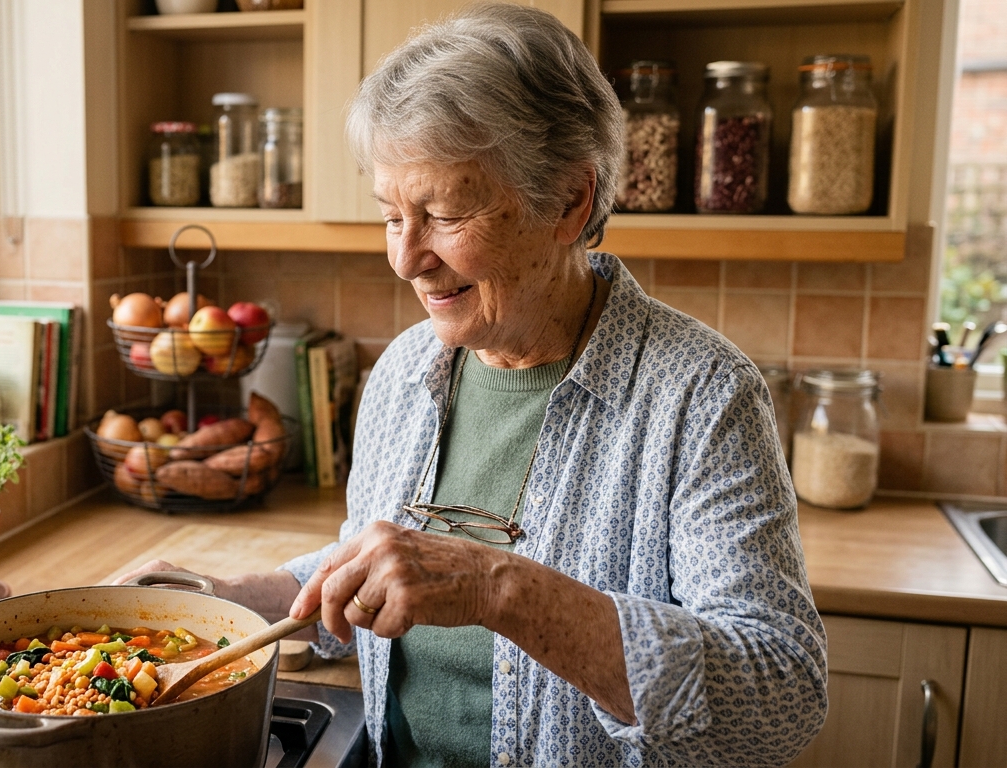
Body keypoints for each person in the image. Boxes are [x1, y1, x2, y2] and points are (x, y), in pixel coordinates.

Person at [120, 4, 828, 764]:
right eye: (392, 215)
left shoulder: (702, 397)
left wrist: (501, 590)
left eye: (445, 213)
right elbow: (373, 574)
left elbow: (779, 698)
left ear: (569, 201)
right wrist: (222, 601)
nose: (406, 258)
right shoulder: (402, 373)